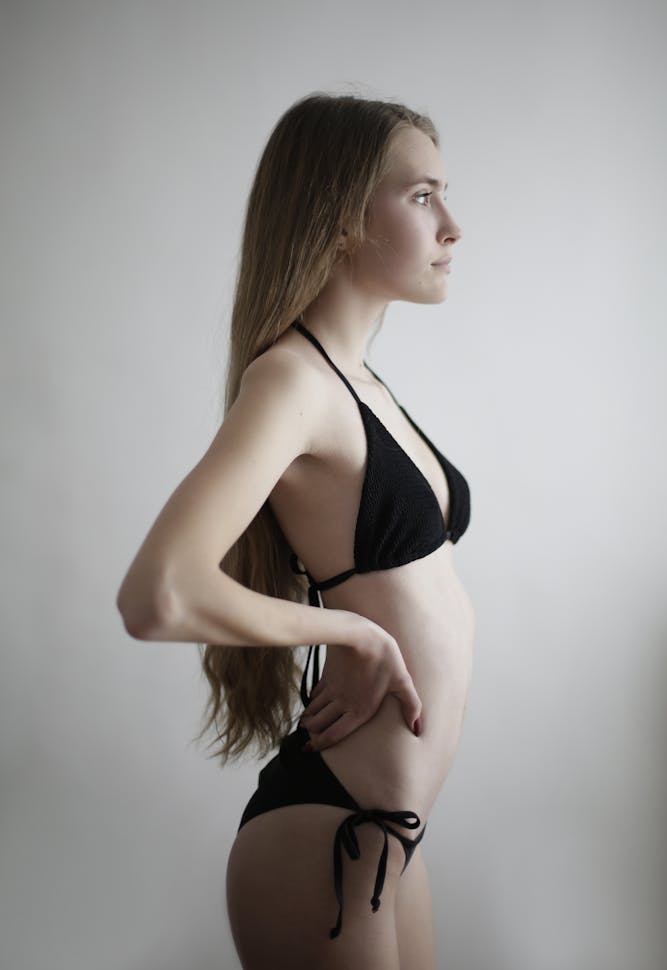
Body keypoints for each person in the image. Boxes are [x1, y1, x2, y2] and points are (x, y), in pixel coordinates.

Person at [116, 92, 475, 970]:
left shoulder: (363, 385)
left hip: (388, 834)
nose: (453, 226)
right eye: (422, 195)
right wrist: (351, 630)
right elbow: (157, 594)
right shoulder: (294, 382)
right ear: (344, 217)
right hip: (323, 836)